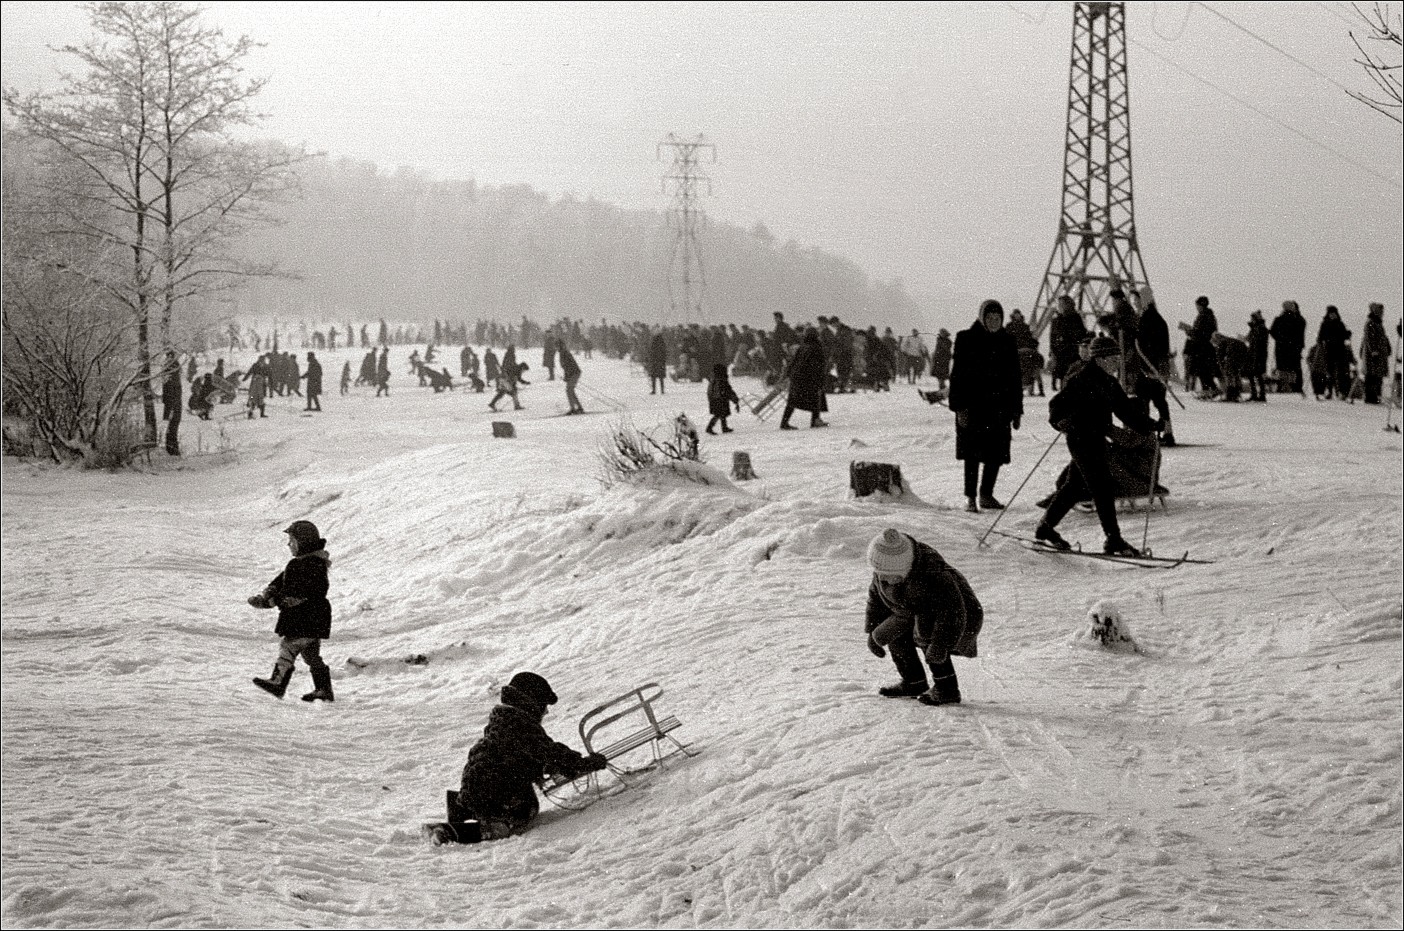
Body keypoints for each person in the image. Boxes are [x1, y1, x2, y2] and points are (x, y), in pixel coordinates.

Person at [1035, 336, 1162, 557]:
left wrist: (1150, 425)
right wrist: (1060, 422)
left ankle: (1045, 528)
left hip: (1096, 439)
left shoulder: (1109, 382)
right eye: (1113, 359)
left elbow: (1125, 411)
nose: (1116, 363)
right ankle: (1113, 540)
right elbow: (1056, 406)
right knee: (1101, 488)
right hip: (1080, 439)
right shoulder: (1081, 379)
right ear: (1100, 359)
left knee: (1074, 487)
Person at [452, 672, 607, 839]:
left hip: (479, 786)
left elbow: (521, 755)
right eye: (544, 705)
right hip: (491, 790)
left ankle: (461, 811)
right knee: (525, 810)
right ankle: (464, 831)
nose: (546, 712)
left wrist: (543, 766)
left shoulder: (504, 720)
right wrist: (583, 764)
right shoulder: (519, 725)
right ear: (532, 703)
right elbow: (549, 751)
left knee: (508, 799)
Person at [862, 529, 983, 706]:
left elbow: (951, 612)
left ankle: (947, 689)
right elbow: (875, 601)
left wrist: (940, 645)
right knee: (897, 634)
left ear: (905, 570)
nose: (882, 579)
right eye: (878, 573)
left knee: (927, 634)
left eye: (889, 576)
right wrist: (873, 632)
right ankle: (913, 682)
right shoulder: (884, 572)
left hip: (961, 615)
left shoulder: (934, 576)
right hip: (914, 610)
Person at [948, 299, 1023, 512]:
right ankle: (970, 497)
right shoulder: (966, 338)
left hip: (1000, 408)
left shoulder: (1008, 341)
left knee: (996, 453)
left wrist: (1016, 409)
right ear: (982, 318)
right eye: (989, 318)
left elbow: (1015, 377)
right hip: (973, 407)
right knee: (972, 454)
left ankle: (986, 494)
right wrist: (960, 407)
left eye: (997, 318)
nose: (993, 322)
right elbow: (958, 375)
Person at [247, 520, 335, 702]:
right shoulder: (304, 563)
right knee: (311, 655)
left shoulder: (308, 565)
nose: (289, 545)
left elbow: (296, 593)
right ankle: (323, 689)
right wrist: (269, 592)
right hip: (314, 618)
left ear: (302, 543)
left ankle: (278, 682)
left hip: (305, 618)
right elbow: (280, 582)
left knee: (289, 646)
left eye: (292, 541)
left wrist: (270, 601)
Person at [779, 329, 829, 429]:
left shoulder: (802, 347)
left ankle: (784, 422)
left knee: (792, 402)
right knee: (816, 398)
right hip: (809, 378)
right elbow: (819, 366)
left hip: (797, 378)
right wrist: (820, 380)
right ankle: (815, 421)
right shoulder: (817, 348)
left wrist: (788, 374)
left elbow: (793, 362)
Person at [1269, 301, 1307, 395]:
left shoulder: (1279, 319)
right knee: (1294, 368)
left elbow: (1272, 331)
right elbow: (1300, 334)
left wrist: (1280, 339)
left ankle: (1284, 386)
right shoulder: (1299, 319)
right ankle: (1294, 386)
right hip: (1294, 348)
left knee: (1282, 367)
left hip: (1281, 347)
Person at [1361, 303, 1392, 405]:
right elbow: (1369, 338)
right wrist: (1373, 351)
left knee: (1378, 376)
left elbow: (1383, 338)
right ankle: (1370, 397)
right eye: (1380, 311)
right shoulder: (1370, 323)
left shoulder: (1378, 323)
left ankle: (1376, 396)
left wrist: (1388, 347)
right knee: (1371, 376)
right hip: (1373, 355)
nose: (1382, 313)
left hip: (1380, 355)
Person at [705, 362, 741, 434]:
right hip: (720, 399)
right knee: (719, 414)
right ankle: (710, 427)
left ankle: (724, 427)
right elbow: (727, 390)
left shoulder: (714, 379)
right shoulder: (721, 380)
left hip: (715, 399)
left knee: (722, 414)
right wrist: (735, 400)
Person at [559, 343, 584, 414]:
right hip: (574, 373)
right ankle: (579, 407)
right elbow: (565, 367)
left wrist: (567, 376)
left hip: (574, 373)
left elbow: (568, 366)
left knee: (569, 390)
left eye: (556, 346)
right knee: (570, 390)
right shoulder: (563, 352)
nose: (555, 348)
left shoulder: (564, 353)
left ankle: (573, 409)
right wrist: (566, 376)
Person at [646, 330, 668, 395]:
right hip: (661, 362)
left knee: (653, 377)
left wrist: (650, 359)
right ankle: (662, 390)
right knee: (661, 378)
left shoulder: (653, 342)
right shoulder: (662, 342)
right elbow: (664, 352)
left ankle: (654, 390)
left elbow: (651, 352)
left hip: (654, 362)